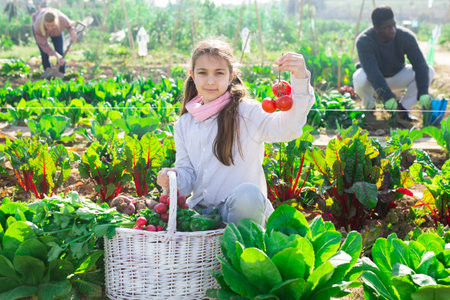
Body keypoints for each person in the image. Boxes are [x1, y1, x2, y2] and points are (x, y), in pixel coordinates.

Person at [157, 38, 314, 226]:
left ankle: (242, 249)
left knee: (249, 195)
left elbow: (288, 129)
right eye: (202, 73)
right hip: (201, 215)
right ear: (192, 75)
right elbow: (187, 175)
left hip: (240, 213)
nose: (210, 81)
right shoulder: (184, 123)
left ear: (230, 76)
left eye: (219, 73)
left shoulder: (247, 113)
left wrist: (300, 79)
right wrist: (172, 177)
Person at [353, 5, 434, 122]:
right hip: (374, 80)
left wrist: (423, 92)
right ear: (376, 29)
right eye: (387, 27)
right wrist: (388, 97)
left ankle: (403, 110)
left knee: (429, 71)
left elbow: (420, 65)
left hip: (398, 75)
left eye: (393, 25)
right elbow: (373, 72)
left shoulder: (406, 36)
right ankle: (369, 110)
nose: (393, 30)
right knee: (359, 77)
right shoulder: (364, 41)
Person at [32, 7, 77, 74]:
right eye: (48, 25)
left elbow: (69, 26)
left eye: (52, 25)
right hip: (42, 31)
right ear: (44, 22)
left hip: (57, 31)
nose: (50, 28)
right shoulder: (38, 26)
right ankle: (48, 73)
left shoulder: (62, 19)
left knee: (60, 52)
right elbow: (44, 46)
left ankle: (61, 73)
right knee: (44, 54)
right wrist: (56, 55)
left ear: (56, 22)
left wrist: (72, 33)